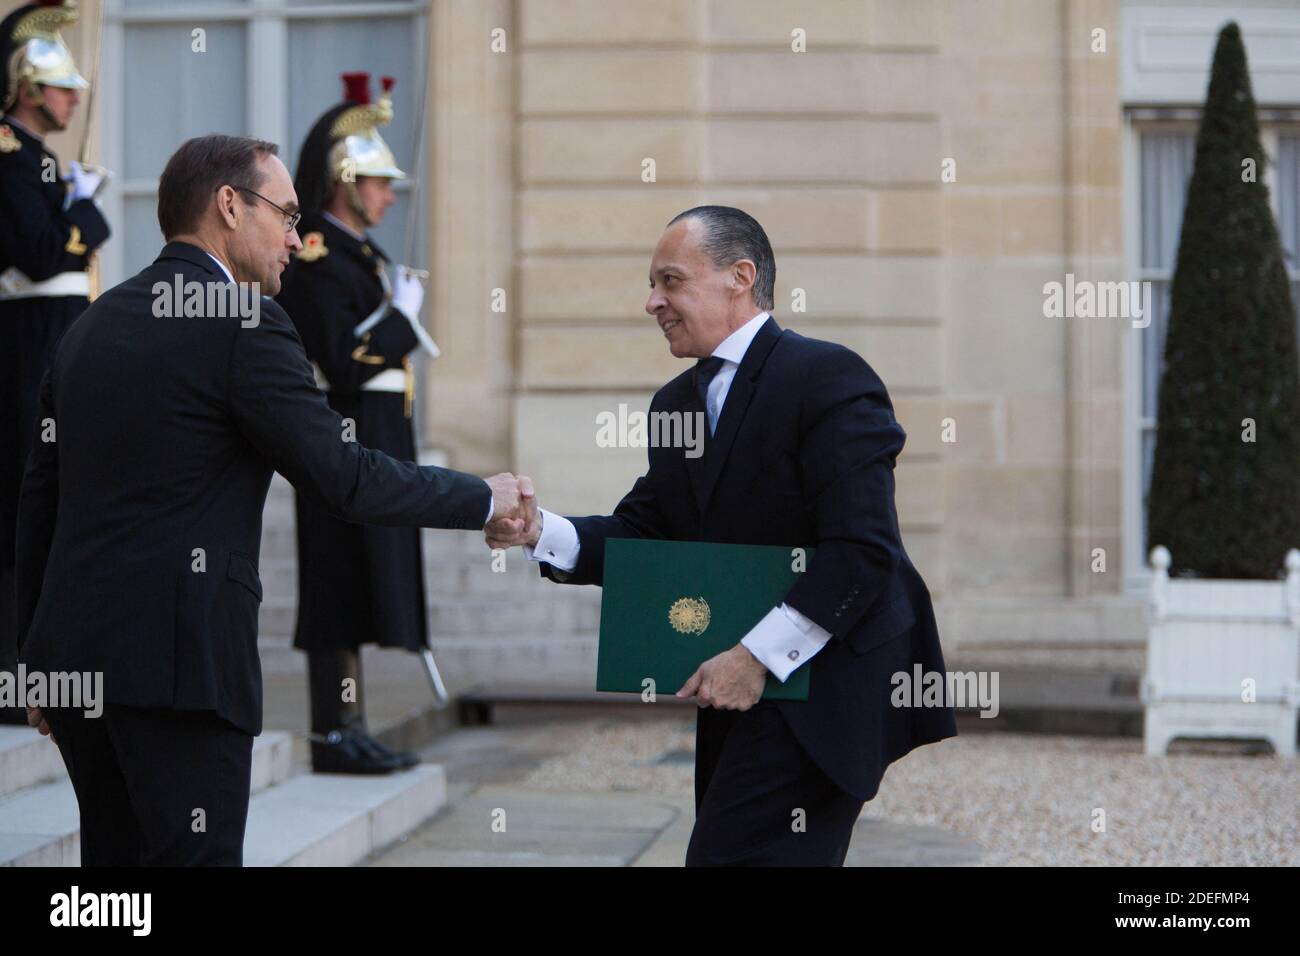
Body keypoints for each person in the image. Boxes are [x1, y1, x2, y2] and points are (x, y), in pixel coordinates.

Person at [17, 134, 529, 866]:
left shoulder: (89, 325)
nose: (297, 237)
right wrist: (483, 496)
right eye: (285, 215)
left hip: (80, 662)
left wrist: (38, 658)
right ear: (229, 205)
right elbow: (343, 476)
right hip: (181, 668)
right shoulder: (243, 322)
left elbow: (39, 502)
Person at [486, 206, 957, 866]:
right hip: (737, 683)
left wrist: (757, 657)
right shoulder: (675, 403)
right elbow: (645, 536)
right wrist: (540, 532)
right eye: (651, 284)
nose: (653, 302)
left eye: (671, 281)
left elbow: (863, 552)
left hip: (824, 686)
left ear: (740, 277)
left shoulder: (829, 378)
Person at [276, 73, 437, 774]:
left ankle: (353, 726)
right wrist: (403, 320)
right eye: (376, 181)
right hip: (343, 433)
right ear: (345, 180)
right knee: (338, 582)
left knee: (365, 578)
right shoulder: (314, 250)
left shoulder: (357, 253)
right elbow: (343, 360)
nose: (388, 193)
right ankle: (333, 732)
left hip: (376, 433)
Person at [0, 0, 109, 724]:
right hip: (25, 344)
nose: (75, 98)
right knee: (17, 504)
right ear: (31, 89)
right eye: (63, 86)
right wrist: (87, 215)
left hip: (54, 340)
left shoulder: (39, 160)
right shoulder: (8, 152)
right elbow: (39, 253)